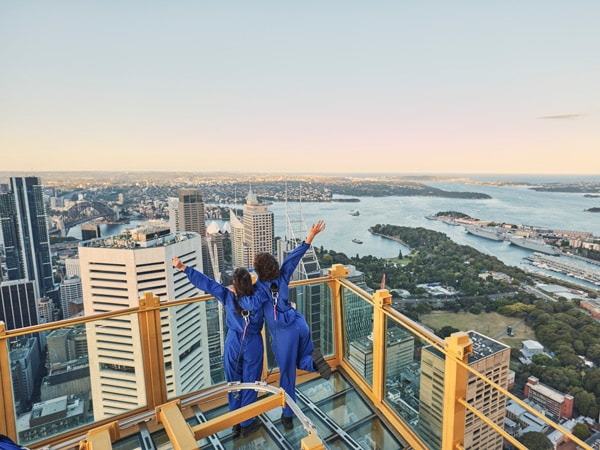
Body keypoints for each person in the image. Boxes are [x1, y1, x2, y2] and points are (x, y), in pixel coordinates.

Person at [238, 219, 331, 431]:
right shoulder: (283, 275)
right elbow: (296, 255)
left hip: (283, 335)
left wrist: (237, 291)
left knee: (287, 376)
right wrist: (311, 235)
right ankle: (315, 364)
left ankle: (288, 417)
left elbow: (247, 304)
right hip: (299, 322)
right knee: (302, 358)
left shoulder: (258, 290)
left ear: (258, 271)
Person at [172, 257, 263, 438]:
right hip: (252, 343)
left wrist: (183, 267)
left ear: (234, 285)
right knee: (250, 381)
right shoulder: (258, 297)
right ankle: (246, 423)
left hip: (233, 342)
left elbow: (206, 283)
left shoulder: (227, 295)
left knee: (233, 382)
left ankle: (235, 421)